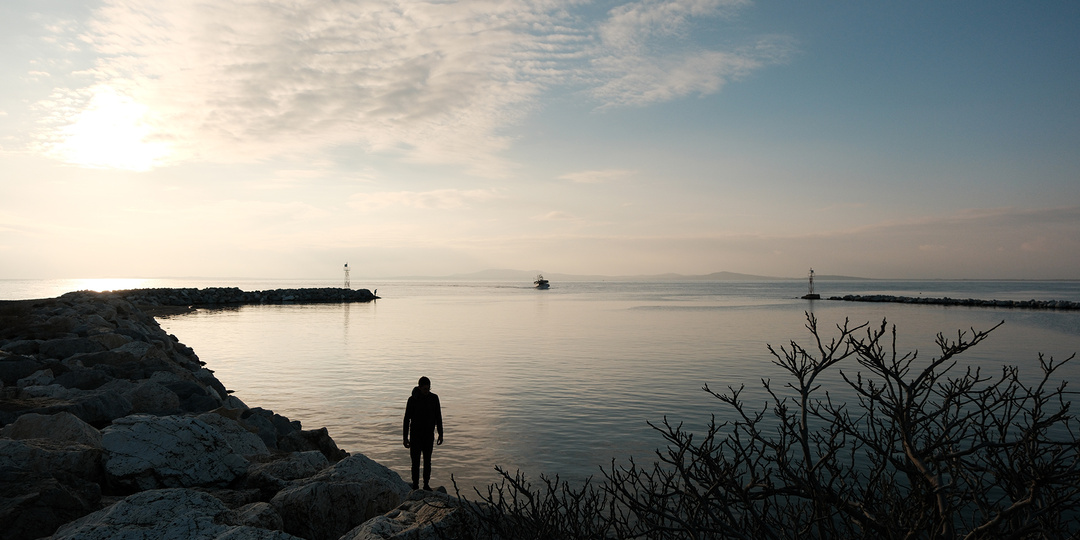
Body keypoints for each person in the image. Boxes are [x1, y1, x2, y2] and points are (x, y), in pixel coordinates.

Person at [402, 376, 443, 490]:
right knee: (415, 463)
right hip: (415, 436)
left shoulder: (434, 398)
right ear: (419, 388)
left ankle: (426, 485)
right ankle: (415, 485)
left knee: (427, 461)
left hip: (429, 435)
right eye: (425, 389)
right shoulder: (412, 400)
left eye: (428, 389)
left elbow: (438, 417)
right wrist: (405, 438)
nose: (427, 391)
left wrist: (440, 433)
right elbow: (406, 419)